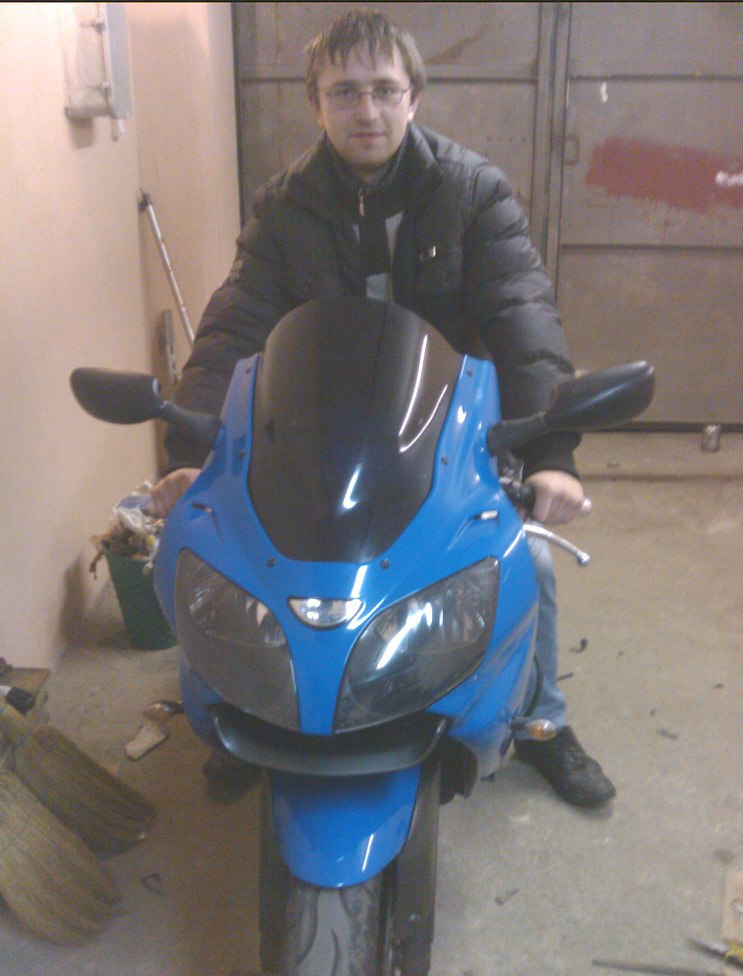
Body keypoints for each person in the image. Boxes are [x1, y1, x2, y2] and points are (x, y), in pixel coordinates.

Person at [151, 10, 615, 809]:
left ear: (413, 97)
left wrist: (551, 457)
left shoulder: (473, 191)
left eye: (383, 90)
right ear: (316, 104)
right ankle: (251, 699)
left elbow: (523, 318)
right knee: (228, 557)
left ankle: (542, 721)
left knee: (526, 560)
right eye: (344, 93)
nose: (365, 110)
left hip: (452, 432)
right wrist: (190, 449)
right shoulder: (284, 205)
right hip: (317, 430)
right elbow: (235, 325)